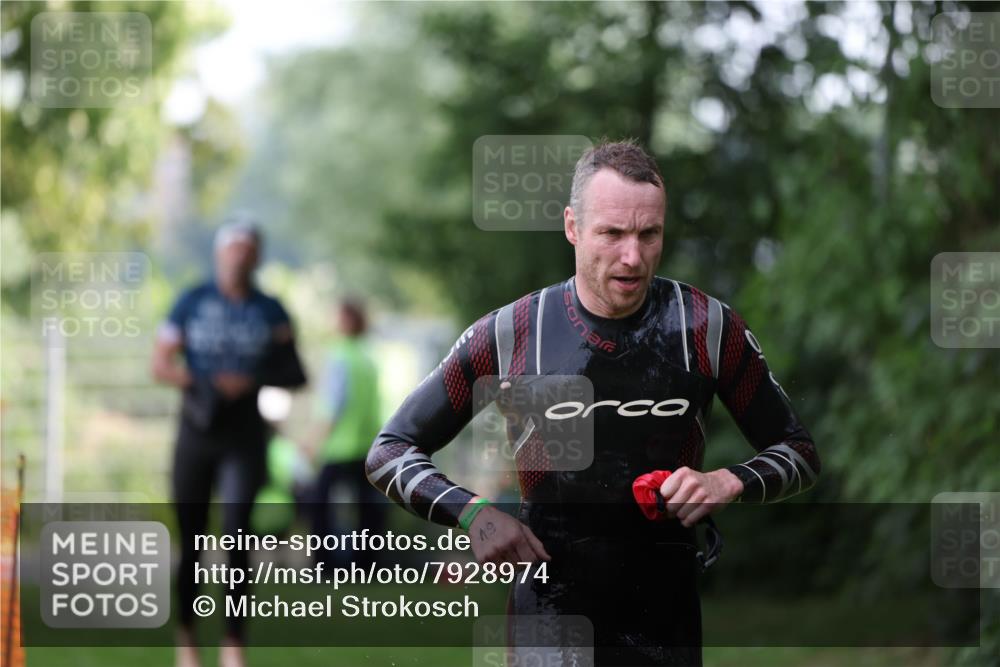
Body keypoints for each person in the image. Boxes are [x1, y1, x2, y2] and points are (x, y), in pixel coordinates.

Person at [366, 140, 821, 666]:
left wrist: (727, 481)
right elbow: (390, 450)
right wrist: (473, 514)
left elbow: (799, 451)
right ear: (572, 228)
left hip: (663, 612)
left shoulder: (705, 329)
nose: (633, 256)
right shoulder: (514, 333)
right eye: (612, 233)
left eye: (649, 234)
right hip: (550, 604)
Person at [152, 216, 307, 667]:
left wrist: (251, 380)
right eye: (233, 247)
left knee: (238, 538)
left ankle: (233, 646)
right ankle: (186, 641)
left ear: (257, 256)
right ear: (220, 253)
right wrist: (201, 381)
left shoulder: (271, 310)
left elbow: (296, 372)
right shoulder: (191, 301)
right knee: (193, 541)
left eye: (248, 248)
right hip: (196, 433)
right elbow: (159, 364)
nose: (239, 255)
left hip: (244, 437)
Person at [308, 299, 385, 568]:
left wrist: (314, 442)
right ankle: (366, 565)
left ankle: (324, 565)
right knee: (368, 511)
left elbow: (333, 404)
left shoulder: (340, 356)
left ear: (347, 321)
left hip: (339, 446)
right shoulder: (368, 358)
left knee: (319, 506)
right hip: (367, 445)